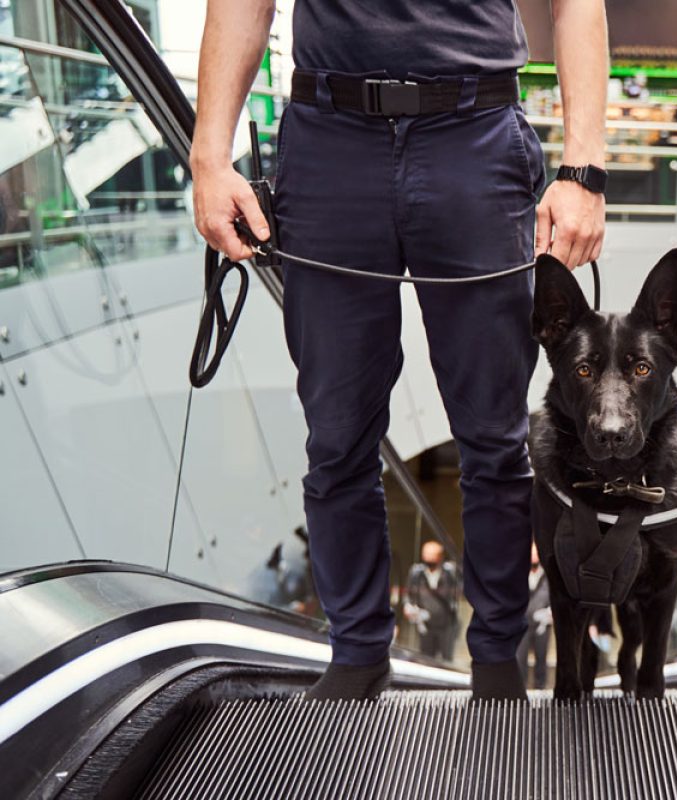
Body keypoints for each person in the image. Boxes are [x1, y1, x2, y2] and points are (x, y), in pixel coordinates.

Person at [190, 0, 609, 701]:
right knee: (336, 436)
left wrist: (585, 170)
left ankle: (498, 660)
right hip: (329, 143)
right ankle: (357, 654)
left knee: (494, 437)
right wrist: (208, 158)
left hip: (475, 134)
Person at [403, 541, 460, 661]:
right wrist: (408, 606)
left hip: (446, 624)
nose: (429, 558)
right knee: (426, 658)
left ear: (440, 556)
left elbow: (457, 592)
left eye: (432, 555)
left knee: (446, 659)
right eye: (426, 554)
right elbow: (408, 594)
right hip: (425, 624)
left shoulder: (449, 573)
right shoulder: (417, 573)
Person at [516, 544, 552, 689]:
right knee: (520, 658)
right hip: (522, 623)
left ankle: (540, 688)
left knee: (541, 658)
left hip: (542, 624)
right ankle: (521, 690)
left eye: (536, 553)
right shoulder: (519, 572)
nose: (534, 556)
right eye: (531, 553)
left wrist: (550, 613)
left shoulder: (548, 574)